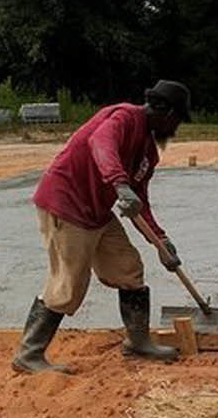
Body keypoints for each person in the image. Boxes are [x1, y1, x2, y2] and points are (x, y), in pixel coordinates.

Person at [11, 80, 192, 373]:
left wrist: (160, 240)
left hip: (96, 211)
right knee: (68, 285)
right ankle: (29, 354)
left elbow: (139, 199)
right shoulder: (123, 117)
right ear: (164, 110)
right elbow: (101, 143)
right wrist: (120, 184)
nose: (175, 128)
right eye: (176, 119)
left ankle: (138, 342)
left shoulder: (148, 151)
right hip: (66, 203)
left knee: (128, 268)